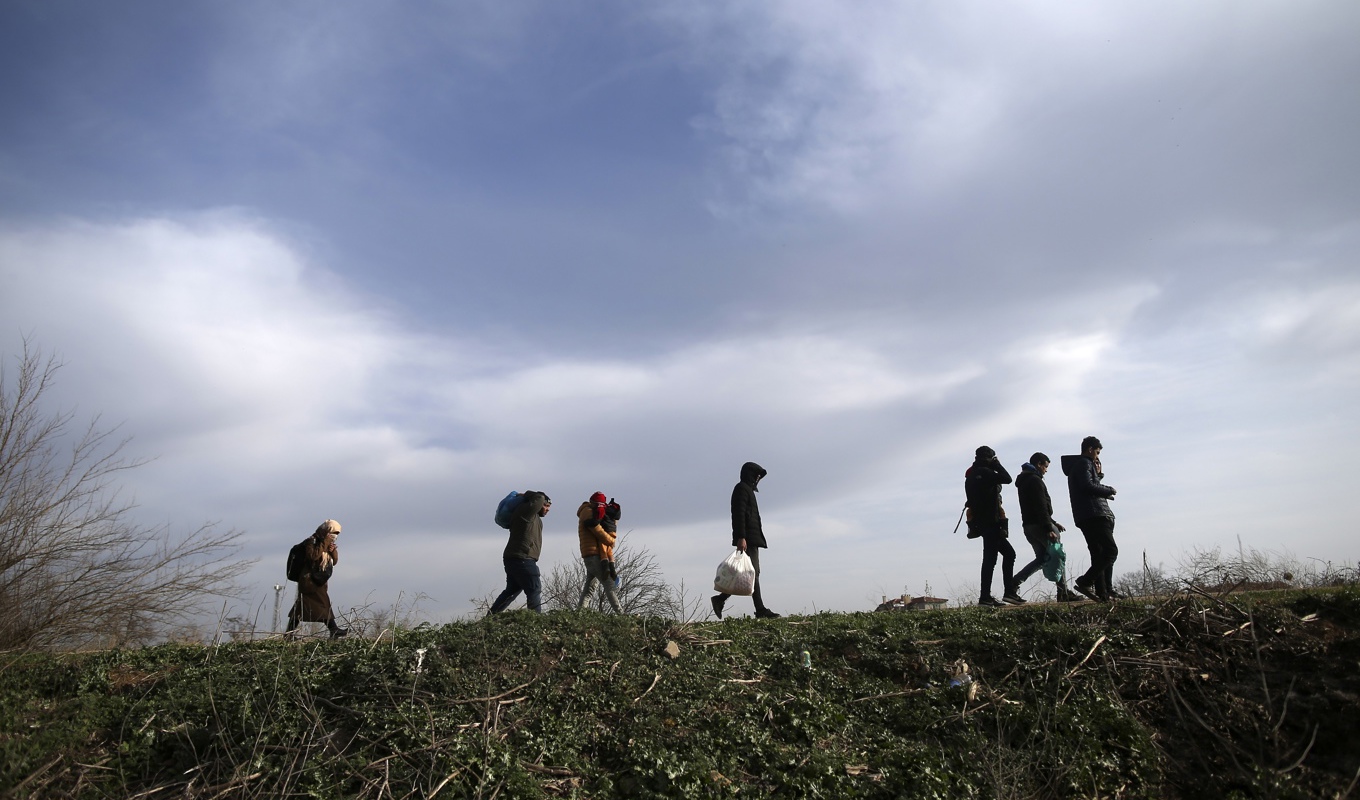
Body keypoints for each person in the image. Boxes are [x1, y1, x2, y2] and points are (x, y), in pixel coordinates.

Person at [712, 462, 780, 619]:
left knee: (748, 573)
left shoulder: (748, 490)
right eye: (756, 476)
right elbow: (738, 514)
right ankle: (760, 609)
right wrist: (741, 537)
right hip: (747, 538)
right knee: (752, 572)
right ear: (750, 475)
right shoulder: (741, 489)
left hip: (752, 538)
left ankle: (720, 599)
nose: (758, 479)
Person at [1011, 453, 1080, 602]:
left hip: (1029, 526)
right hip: (1041, 526)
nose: (1046, 470)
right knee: (1058, 555)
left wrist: (1053, 522)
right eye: (1046, 466)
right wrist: (1049, 527)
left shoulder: (1024, 481)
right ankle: (1063, 593)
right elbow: (1040, 506)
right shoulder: (1035, 481)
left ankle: (1014, 582)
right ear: (1039, 464)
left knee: (1042, 558)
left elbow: (1033, 508)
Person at [1061, 436, 1119, 602]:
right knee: (1110, 551)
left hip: (1085, 515)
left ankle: (1103, 593)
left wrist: (1098, 477)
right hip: (1095, 514)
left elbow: (1088, 485)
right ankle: (1086, 581)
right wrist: (1108, 490)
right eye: (1097, 452)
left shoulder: (1078, 467)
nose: (1097, 457)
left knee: (1098, 553)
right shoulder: (1084, 463)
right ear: (1090, 449)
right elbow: (1087, 486)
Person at [965, 446, 1023, 606]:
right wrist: (996, 465)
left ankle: (1001, 594)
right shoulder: (986, 473)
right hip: (992, 521)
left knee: (1004, 555)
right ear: (989, 458)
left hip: (981, 523)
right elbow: (1007, 478)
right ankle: (989, 596)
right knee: (992, 559)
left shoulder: (970, 476)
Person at [488, 491, 551, 614]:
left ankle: (490, 617)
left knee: (511, 590)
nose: (547, 509)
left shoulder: (532, 516)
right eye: (546, 506)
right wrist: (526, 494)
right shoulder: (526, 512)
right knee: (534, 588)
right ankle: (536, 621)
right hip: (522, 558)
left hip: (514, 558)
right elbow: (539, 497)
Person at [286, 519, 349, 638]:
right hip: (309, 581)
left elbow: (334, 562)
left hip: (317, 581)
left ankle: (289, 633)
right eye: (333, 533)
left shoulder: (325, 544)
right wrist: (325, 542)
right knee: (323, 604)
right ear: (326, 531)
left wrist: (333, 550)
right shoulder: (312, 541)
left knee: (302, 608)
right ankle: (333, 629)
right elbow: (313, 556)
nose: (334, 536)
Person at [576, 492, 623, 613]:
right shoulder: (587, 512)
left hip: (592, 555)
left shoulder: (590, 511)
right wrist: (611, 540)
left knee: (589, 590)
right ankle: (621, 614)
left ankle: (579, 614)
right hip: (593, 556)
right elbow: (598, 531)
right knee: (609, 585)